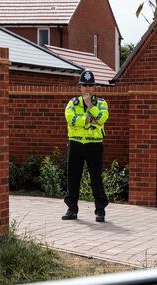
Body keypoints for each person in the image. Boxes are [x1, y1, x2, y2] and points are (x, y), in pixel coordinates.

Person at [62, 70, 110, 222]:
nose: (87, 88)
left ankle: (100, 210)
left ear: (94, 87)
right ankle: (72, 209)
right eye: (84, 85)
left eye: (90, 85)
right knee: (72, 177)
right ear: (80, 87)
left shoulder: (101, 103)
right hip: (76, 143)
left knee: (96, 177)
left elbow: (102, 118)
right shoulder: (72, 103)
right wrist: (89, 119)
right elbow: (71, 119)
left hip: (94, 145)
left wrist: (90, 105)